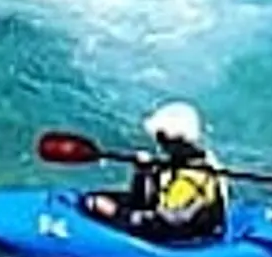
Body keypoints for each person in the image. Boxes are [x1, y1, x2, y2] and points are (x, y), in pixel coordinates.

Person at [83, 101, 229, 245]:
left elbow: (160, 225)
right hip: (175, 223)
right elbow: (145, 202)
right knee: (96, 199)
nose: (159, 144)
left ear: (176, 141)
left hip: (185, 237)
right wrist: (143, 173)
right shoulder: (184, 162)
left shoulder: (190, 179)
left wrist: (115, 212)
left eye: (161, 138)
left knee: (99, 205)